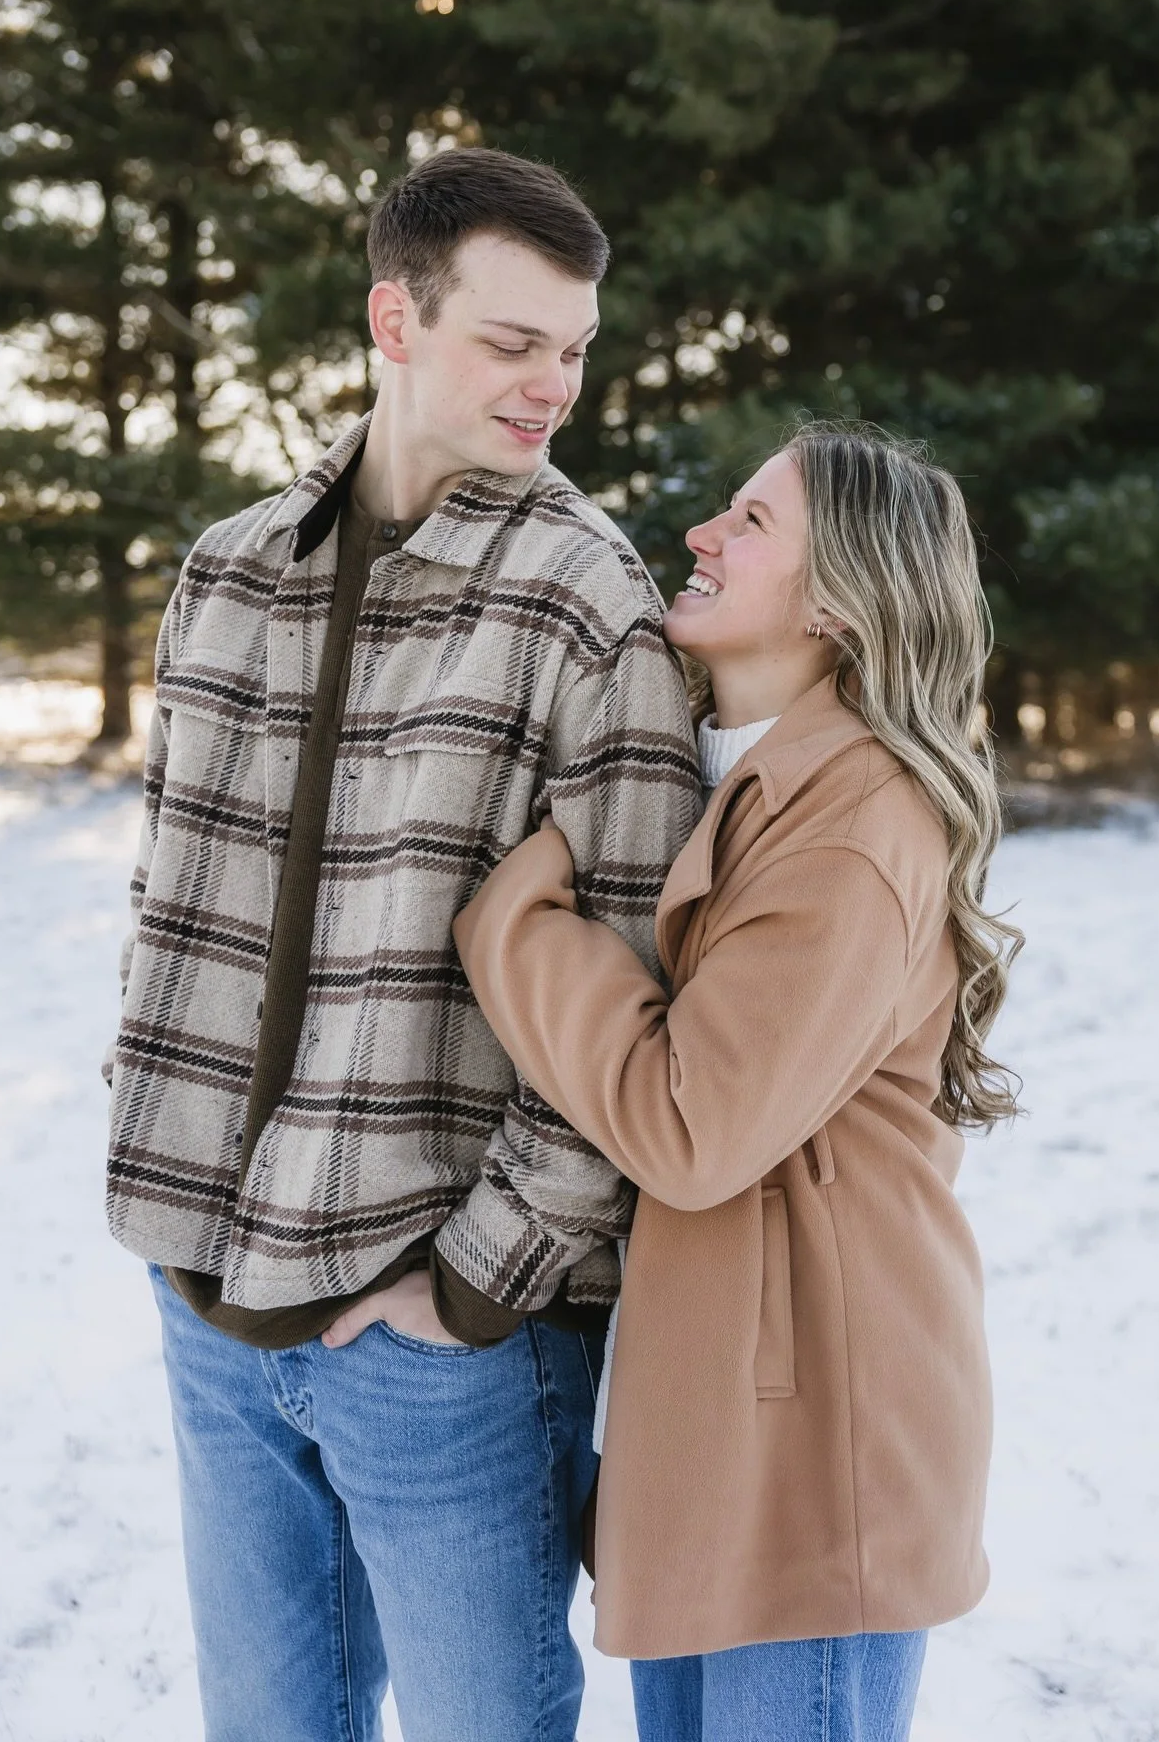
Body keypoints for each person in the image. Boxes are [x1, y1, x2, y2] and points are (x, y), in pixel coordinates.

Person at [103, 148, 700, 1742]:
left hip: (441, 1342)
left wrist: (480, 1284)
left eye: (575, 348)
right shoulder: (228, 573)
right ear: (396, 316)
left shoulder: (590, 604)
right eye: (516, 343)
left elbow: (639, 985)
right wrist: (172, 1214)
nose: (554, 386)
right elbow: (170, 903)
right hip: (209, 1300)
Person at [454, 420, 1022, 1742]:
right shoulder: (743, 776)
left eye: (751, 522)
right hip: (717, 1419)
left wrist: (519, 927)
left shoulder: (857, 821)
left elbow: (692, 1128)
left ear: (839, 603)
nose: (701, 534)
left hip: (821, 1440)